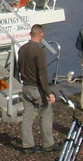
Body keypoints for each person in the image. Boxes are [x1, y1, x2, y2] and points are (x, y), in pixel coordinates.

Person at [16, 24, 58, 152]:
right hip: (36, 88)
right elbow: (42, 74)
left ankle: (27, 145)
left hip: (25, 87)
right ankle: (48, 144)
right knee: (46, 114)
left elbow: (19, 67)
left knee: (27, 116)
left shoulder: (22, 49)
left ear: (30, 34)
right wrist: (49, 93)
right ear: (41, 35)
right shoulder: (39, 51)